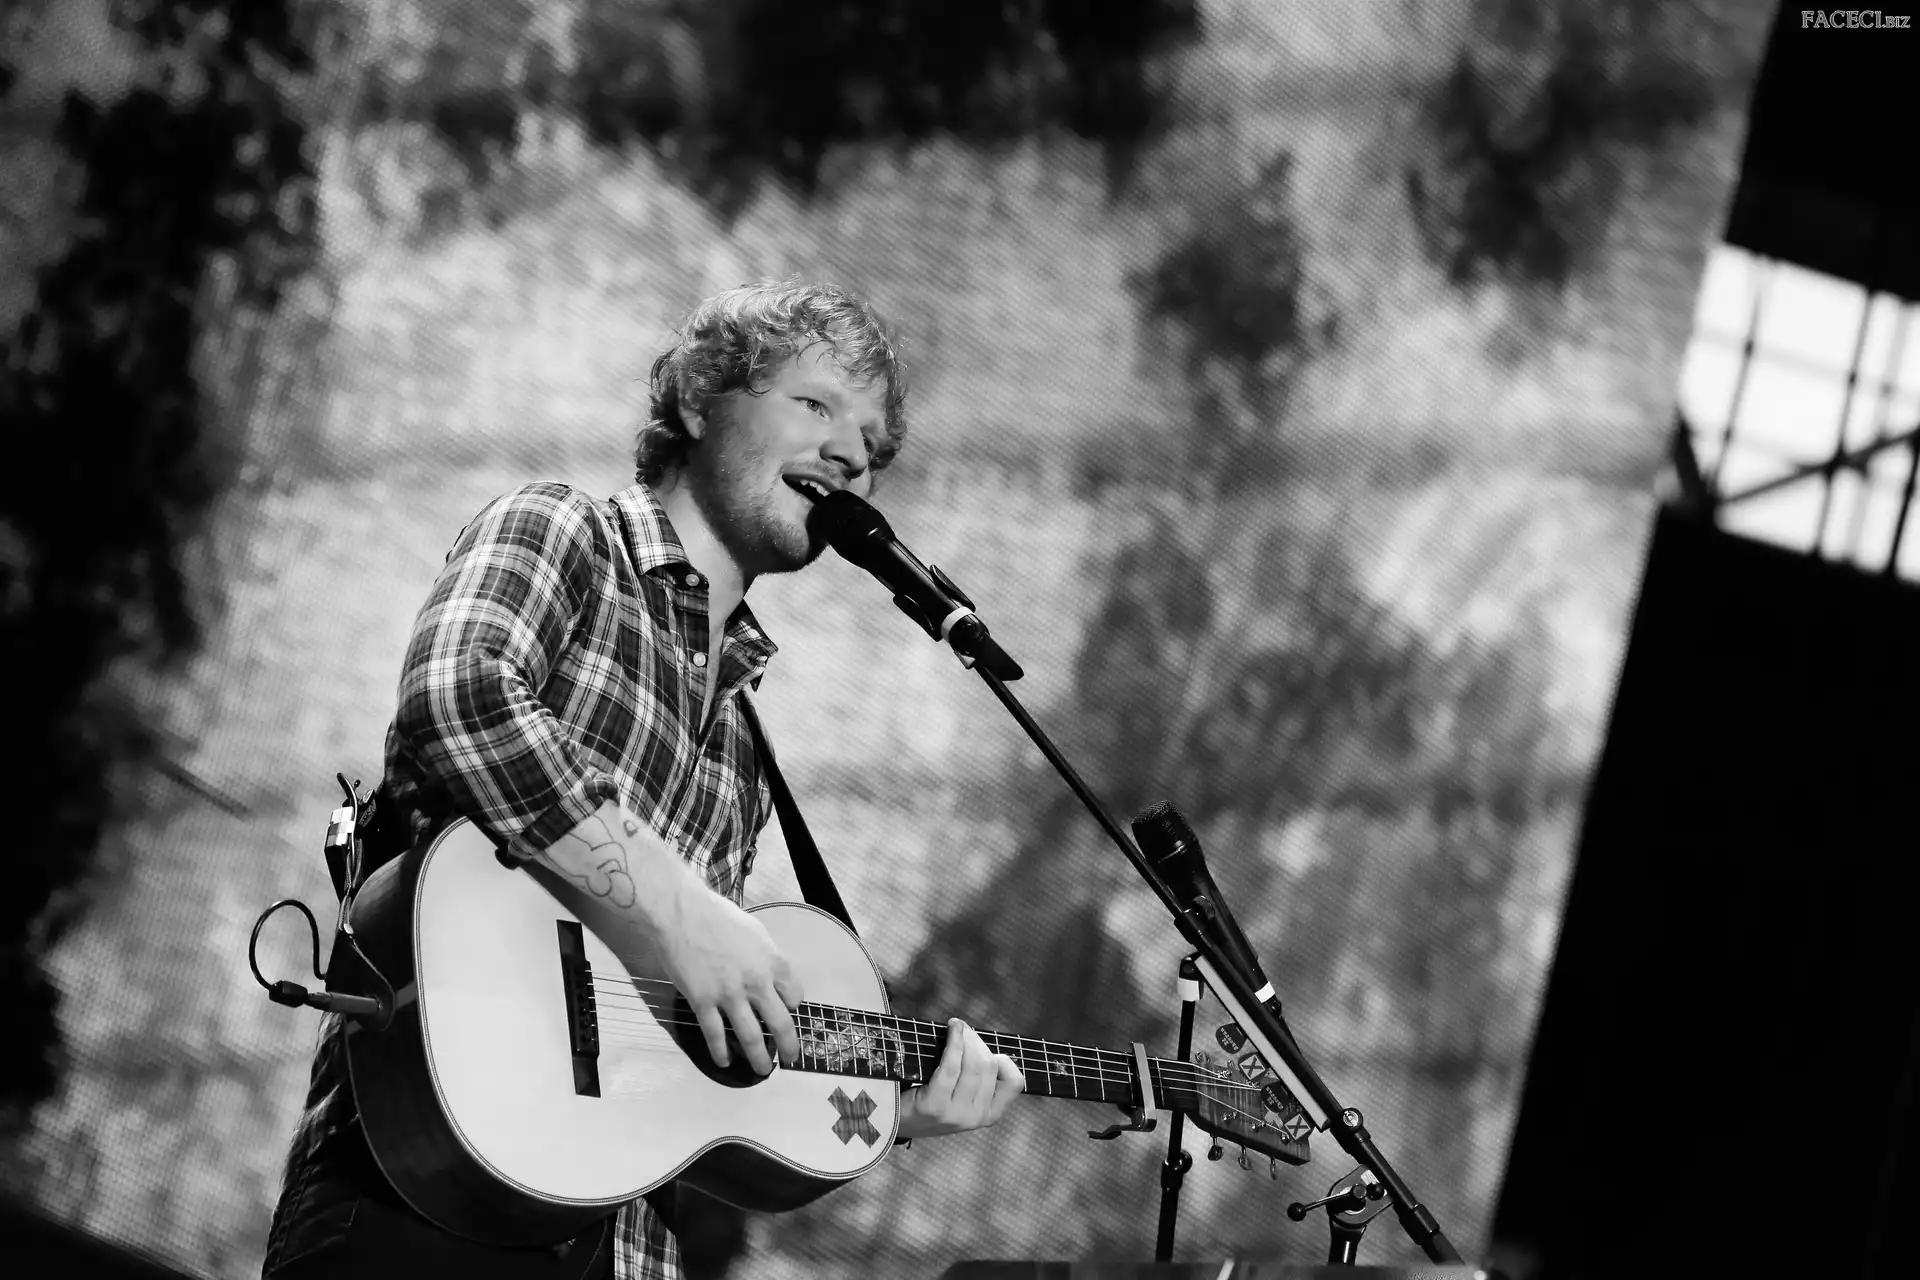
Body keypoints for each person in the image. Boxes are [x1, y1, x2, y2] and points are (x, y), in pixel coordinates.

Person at [262, 281, 1026, 1279]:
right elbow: (460, 693)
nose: (852, 455)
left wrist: (879, 1103)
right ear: (703, 400)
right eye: (816, 405)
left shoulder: (742, 742)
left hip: (622, 1248)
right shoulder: (566, 532)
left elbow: (669, 1043)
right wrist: (676, 910)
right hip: (421, 1197)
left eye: (873, 446)